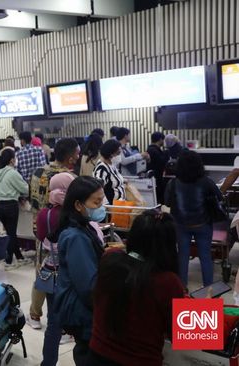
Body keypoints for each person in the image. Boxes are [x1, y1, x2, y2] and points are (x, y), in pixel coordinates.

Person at [88, 210, 185, 366]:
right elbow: (182, 333)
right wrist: (203, 312)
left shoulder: (110, 259)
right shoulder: (167, 282)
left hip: (97, 355)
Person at [51, 176, 106, 366]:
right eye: (96, 202)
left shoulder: (83, 227)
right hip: (82, 313)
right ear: (78, 205)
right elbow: (88, 287)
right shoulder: (76, 237)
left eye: (102, 200)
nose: (101, 206)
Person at [165, 150, 223, 288]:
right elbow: (219, 197)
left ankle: (182, 291)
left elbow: (167, 202)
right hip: (203, 224)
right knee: (205, 258)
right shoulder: (206, 182)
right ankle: (208, 291)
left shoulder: (173, 183)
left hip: (181, 225)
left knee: (183, 257)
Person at [37, 173, 75, 366]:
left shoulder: (45, 213)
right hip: (71, 273)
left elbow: (41, 237)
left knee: (53, 323)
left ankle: (48, 362)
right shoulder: (71, 214)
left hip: (50, 271)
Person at [0, 149, 28, 270]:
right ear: (12, 160)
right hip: (10, 205)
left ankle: (19, 257)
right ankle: (9, 261)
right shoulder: (12, 173)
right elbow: (25, 189)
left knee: (10, 232)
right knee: (11, 234)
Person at [30, 138, 80, 215]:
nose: (78, 156)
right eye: (77, 154)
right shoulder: (70, 178)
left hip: (38, 222)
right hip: (56, 224)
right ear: (70, 159)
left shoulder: (37, 171)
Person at [93, 139, 125, 204]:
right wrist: (107, 207)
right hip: (110, 208)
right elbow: (98, 189)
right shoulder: (102, 168)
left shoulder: (111, 165)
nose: (119, 156)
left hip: (119, 205)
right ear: (110, 153)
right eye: (118, 153)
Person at [146, 132, 169, 204]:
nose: (163, 142)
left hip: (156, 177)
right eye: (163, 139)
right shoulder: (154, 150)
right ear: (160, 139)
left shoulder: (151, 149)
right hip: (156, 178)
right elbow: (161, 163)